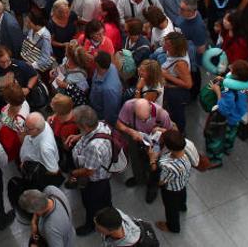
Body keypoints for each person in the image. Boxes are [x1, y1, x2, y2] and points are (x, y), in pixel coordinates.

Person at [66, 105, 121, 236]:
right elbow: (90, 134)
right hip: (104, 179)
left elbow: (89, 171)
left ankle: (90, 225)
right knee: (105, 198)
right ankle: (108, 208)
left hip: (95, 182)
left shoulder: (94, 147)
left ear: (84, 126)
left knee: (91, 204)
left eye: (77, 124)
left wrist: (73, 173)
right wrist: (79, 136)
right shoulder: (101, 124)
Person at [117, 98, 173, 199]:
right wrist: (131, 131)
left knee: (154, 165)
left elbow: (170, 135)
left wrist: (159, 132)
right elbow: (119, 124)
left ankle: (153, 186)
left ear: (150, 108)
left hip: (156, 144)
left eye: (145, 119)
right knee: (136, 160)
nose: (142, 121)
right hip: (136, 139)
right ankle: (139, 179)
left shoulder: (162, 115)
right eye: (139, 118)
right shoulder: (128, 105)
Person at [206, 60, 248, 165]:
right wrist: (225, 80)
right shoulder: (247, 84)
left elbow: (223, 109)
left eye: (232, 68)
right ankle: (228, 149)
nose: (230, 68)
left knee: (216, 139)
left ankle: (215, 160)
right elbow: (244, 91)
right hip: (238, 115)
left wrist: (217, 91)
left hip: (227, 119)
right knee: (231, 134)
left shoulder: (229, 92)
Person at [152, 130, 191, 233]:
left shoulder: (166, 164)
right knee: (182, 195)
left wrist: (152, 161)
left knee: (171, 209)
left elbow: (161, 181)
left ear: (169, 148)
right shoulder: (186, 149)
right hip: (182, 182)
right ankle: (182, 207)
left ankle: (173, 227)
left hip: (171, 190)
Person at [20, 112, 62, 187]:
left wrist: (33, 169)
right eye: (24, 125)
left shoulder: (45, 148)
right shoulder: (44, 124)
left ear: (37, 130)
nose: (25, 129)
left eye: (28, 128)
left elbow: (54, 170)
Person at [90, 52, 124, 128]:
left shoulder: (109, 89)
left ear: (97, 64)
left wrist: (104, 125)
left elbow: (110, 113)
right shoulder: (111, 66)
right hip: (95, 105)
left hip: (100, 117)